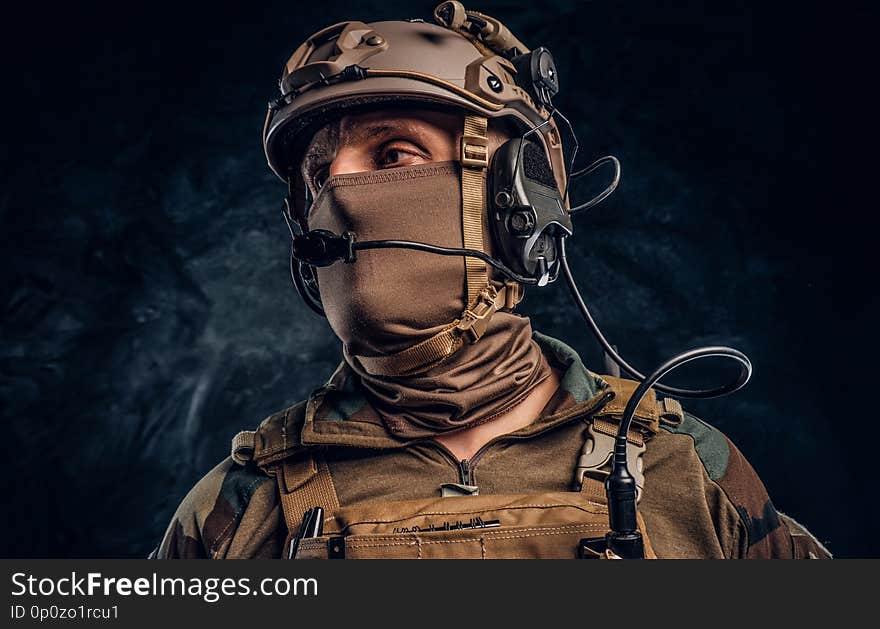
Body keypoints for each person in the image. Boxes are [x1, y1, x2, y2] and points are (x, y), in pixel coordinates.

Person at [152, 2, 830, 559]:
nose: (342, 193)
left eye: (393, 152)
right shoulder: (240, 507)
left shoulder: (687, 469)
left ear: (518, 202)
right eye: (318, 178)